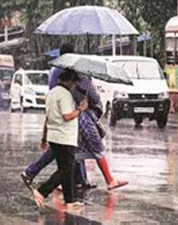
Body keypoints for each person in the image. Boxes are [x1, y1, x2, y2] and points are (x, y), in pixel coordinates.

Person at [32, 69, 88, 210]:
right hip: (64, 137)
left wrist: (44, 137)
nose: (74, 86)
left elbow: (48, 116)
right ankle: (42, 191)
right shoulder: (64, 95)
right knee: (66, 169)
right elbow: (67, 116)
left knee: (67, 169)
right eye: (74, 83)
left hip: (54, 136)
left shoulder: (52, 93)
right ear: (69, 81)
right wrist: (80, 109)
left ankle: (70, 200)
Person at [73, 75, 128, 190]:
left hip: (76, 119)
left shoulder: (69, 83)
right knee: (97, 149)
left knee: (76, 151)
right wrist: (92, 89)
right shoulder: (84, 81)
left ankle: (68, 181)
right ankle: (110, 180)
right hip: (86, 119)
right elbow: (96, 98)